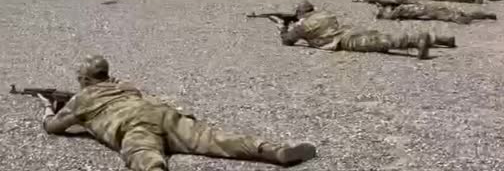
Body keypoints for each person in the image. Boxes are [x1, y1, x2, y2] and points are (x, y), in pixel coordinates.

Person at [36, 55, 317, 171]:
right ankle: (274, 151)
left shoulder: (82, 98)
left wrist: (47, 106)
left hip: (134, 124)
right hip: (162, 114)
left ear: (84, 80)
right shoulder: (125, 84)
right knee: (216, 138)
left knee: (143, 155)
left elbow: (53, 127)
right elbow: (113, 94)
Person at [276, 1, 457, 60]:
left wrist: (283, 27)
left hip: (344, 40)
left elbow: (287, 41)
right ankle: (440, 39)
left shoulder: (302, 25)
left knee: (383, 42)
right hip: (350, 30)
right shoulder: (325, 13)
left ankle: (417, 40)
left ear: (300, 13)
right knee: (383, 36)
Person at [364, 0, 497, 24]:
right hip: (433, 8)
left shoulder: (400, 10)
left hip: (434, 13)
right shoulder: (406, 5)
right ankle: (485, 15)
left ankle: (484, 16)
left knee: (461, 19)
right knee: (462, 15)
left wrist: (379, 11)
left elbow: (389, 17)